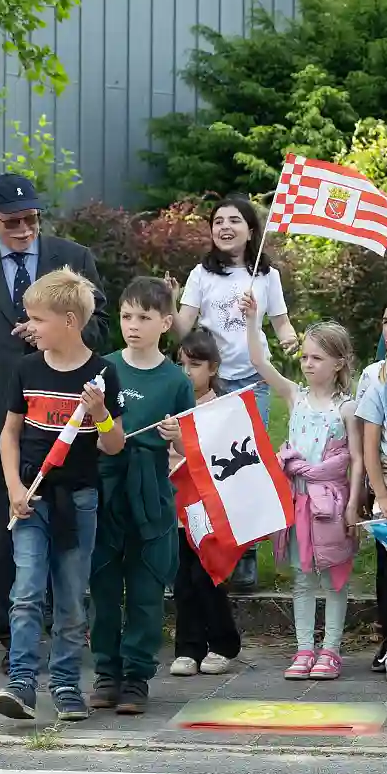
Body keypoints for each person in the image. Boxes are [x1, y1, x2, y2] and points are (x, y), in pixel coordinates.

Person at [0, 174, 111, 670]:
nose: (24, 230)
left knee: (67, 530)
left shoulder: (73, 257)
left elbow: (100, 327)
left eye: (32, 219)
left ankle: (68, 633)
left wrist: (54, 331)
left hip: (64, 418)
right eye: (13, 221)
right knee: (1, 535)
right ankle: (13, 640)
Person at [0, 268, 124, 722]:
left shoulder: (103, 373)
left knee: (70, 596)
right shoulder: (26, 368)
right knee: (26, 591)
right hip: (30, 497)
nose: (30, 327)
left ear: (70, 321)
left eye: (37, 319)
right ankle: (21, 682)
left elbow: (113, 444)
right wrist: (12, 487)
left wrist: (101, 413)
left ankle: (67, 684)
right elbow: (9, 434)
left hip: (79, 500)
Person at [170, 196, 299, 590]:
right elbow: (182, 331)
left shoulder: (266, 275)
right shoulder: (201, 274)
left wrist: (295, 344)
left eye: (234, 220)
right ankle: (207, 550)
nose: (225, 227)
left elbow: (281, 326)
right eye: (218, 221)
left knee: (246, 471)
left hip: (254, 384)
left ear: (250, 228)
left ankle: (244, 558)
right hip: (213, 385)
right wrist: (170, 303)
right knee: (207, 467)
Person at [89, 277, 195, 715]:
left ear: (166, 323)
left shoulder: (175, 381)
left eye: (144, 318)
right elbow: (84, 426)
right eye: (127, 316)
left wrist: (176, 436)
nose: (133, 325)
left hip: (151, 487)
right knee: (104, 583)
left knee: (147, 586)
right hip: (106, 481)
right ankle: (106, 672)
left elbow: (189, 446)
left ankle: (137, 677)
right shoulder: (103, 367)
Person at [243, 293, 361, 681]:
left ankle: (331, 650)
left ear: (338, 363)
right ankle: (304, 649)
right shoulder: (295, 396)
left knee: (333, 578)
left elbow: (356, 460)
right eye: (305, 357)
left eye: (317, 358)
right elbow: (260, 362)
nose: (308, 364)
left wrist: (351, 507)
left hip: (329, 505)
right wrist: (252, 318)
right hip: (297, 504)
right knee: (302, 578)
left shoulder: (345, 409)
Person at [169, 328, 241, 676]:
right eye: (180, 364)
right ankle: (187, 647)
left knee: (207, 576)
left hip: (207, 509)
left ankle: (223, 644)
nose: (185, 372)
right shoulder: (170, 402)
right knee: (181, 579)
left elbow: (215, 461)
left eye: (194, 365)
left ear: (212, 368)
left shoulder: (222, 408)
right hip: (173, 506)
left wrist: (180, 443)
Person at [355, 302, 387, 674]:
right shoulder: (376, 379)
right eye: (385, 321)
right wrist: (378, 492)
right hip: (386, 476)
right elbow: (368, 442)